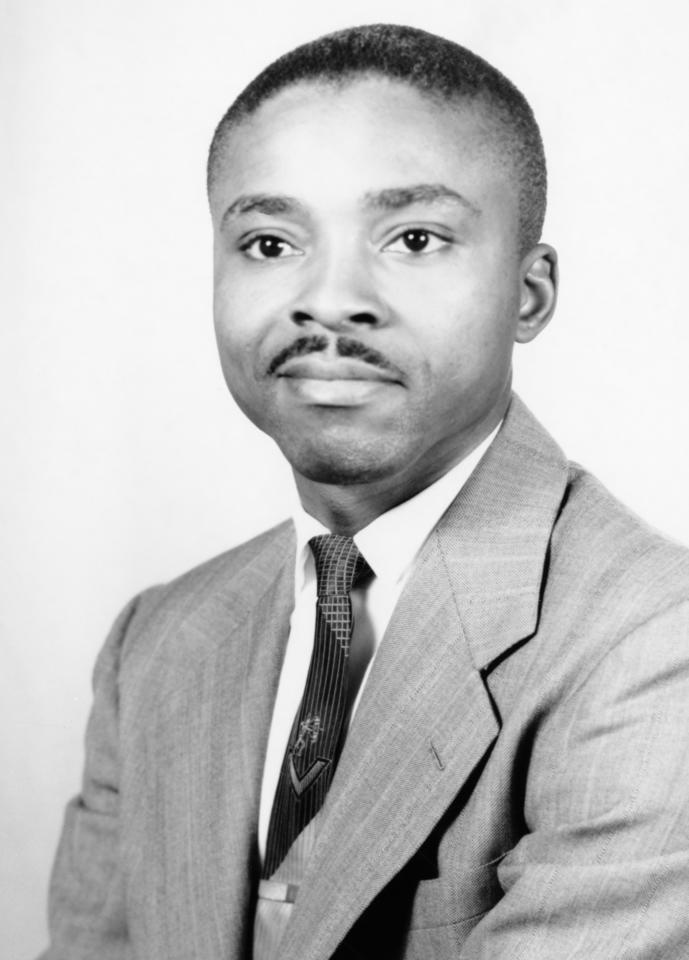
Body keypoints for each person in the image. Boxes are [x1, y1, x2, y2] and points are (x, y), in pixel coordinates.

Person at [40, 23, 689, 960]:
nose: (330, 297)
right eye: (268, 242)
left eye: (414, 238)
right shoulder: (157, 643)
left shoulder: (653, 644)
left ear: (529, 294)